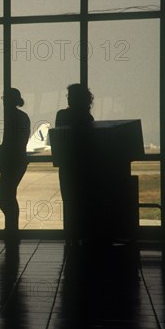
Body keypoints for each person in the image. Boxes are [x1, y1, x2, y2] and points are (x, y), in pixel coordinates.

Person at [54, 83, 95, 244]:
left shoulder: (62, 115)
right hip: (84, 167)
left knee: (69, 202)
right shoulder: (88, 118)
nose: (69, 99)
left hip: (67, 166)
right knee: (83, 202)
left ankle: (71, 236)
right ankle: (83, 235)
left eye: (70, 96)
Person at [0, 88, 30, 243]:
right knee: (7, 194)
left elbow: (11, 142)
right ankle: (11, 228)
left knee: (4, 194)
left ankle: (11, 228)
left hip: (13, 161)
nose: (3, 100)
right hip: (16, 160)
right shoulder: (19, 116)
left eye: (5, 98)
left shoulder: (14, 117)